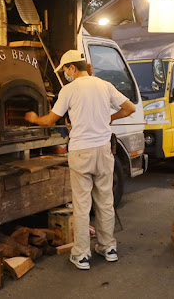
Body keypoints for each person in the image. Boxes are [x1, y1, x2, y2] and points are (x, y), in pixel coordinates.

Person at [24, 50, 136, 270]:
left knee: (82, 205)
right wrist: (109, 118)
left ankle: (82, 255)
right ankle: (108, 248)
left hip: (81, 152)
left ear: (72, 68)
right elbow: (130, 108)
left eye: (65, 70)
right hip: (103, 151)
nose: (65, 74)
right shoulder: (104, 85)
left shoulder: (69, 89)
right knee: (105, 201)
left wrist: (34, 118)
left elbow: (50, 120)